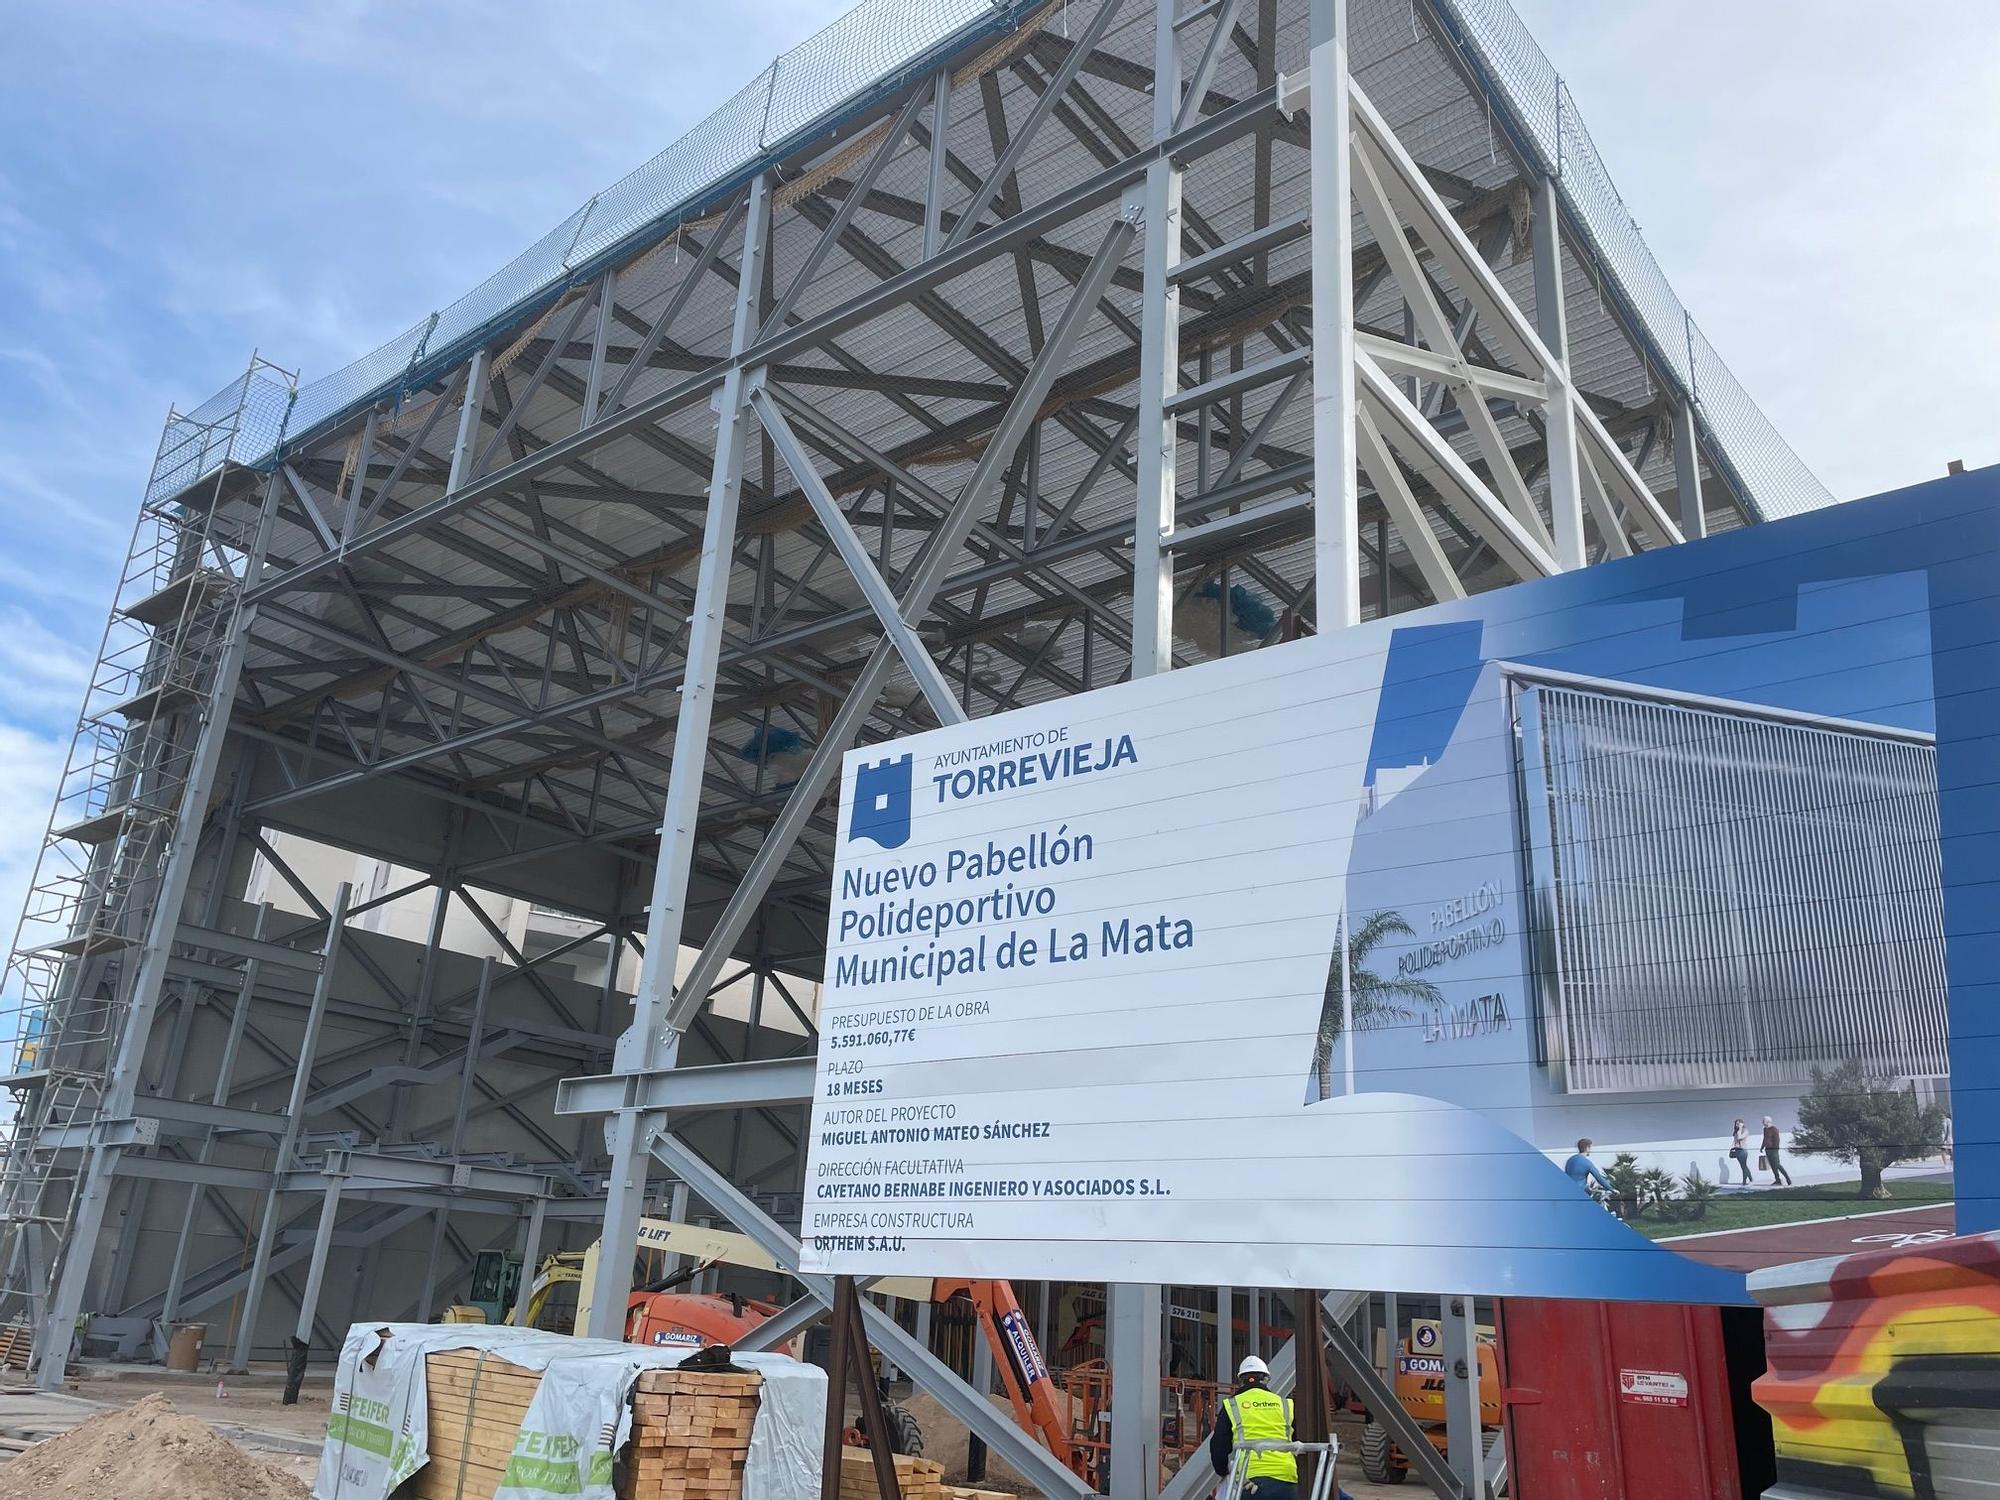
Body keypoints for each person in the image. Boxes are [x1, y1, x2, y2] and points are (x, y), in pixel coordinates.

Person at [1209, 1355, 1298, 1499]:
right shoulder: (1286, 1404)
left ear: (1241, 1380)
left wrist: (1224, 1471)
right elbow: (1300, 1442)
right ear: (1266, 1379)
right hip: (1287, 1478)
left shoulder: (1232, 1405)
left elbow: (1218, 1447)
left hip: (1250, 1480)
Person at [1761, 1116, 1794, 1187]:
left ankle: (1788, 1179)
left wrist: (1775, 1149)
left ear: (1768, 1121)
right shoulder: (1765, 1129)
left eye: (1764, 1121)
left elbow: (1777, 1140)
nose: (1762, 1122)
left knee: (1777, 1165)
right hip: (1767, 1149)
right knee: (1772, 1166)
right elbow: (1765, 1139)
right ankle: (1777, 1180)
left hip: (1774, 1150)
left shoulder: (1774, 1129)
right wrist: (1762, 1147)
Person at [1729, 1119, 1753, 1185]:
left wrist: (1740, 1129)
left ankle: (1745, 1181)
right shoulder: (1736, 1131)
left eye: (1738, 1124)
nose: (1737, 1125)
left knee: (1743, 1166)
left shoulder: (1745, 1131)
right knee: (1743, 1166)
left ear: (1742, 1124)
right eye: (1736, 1124)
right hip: (1737, 1150)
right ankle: (1750, 1179)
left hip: (1742, 1150)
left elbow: (1740, 1137)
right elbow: (1735, 1140)